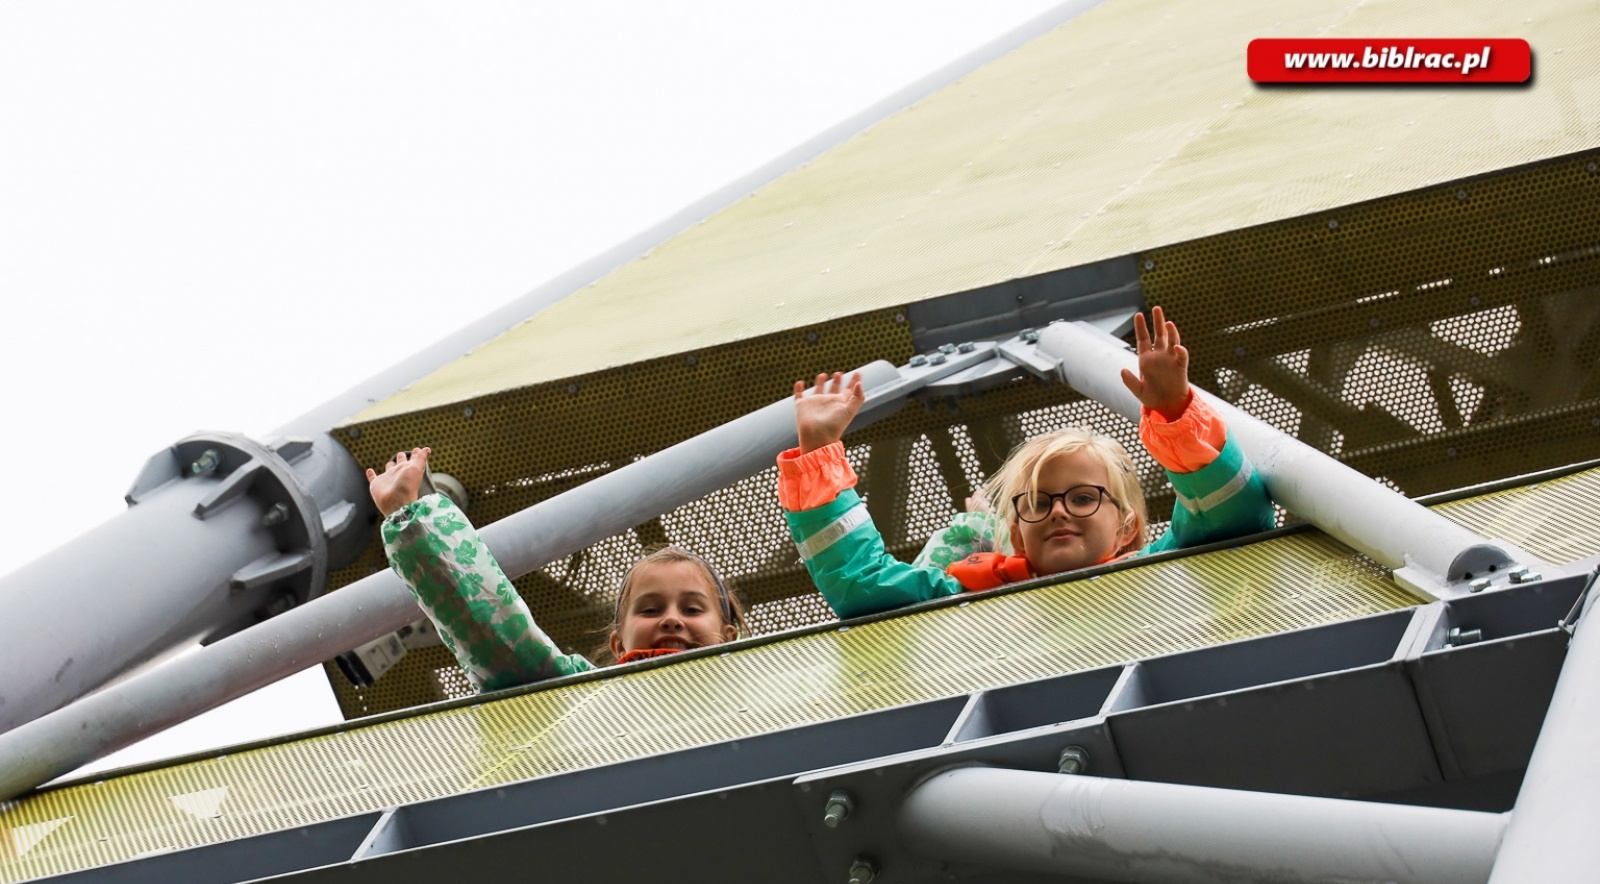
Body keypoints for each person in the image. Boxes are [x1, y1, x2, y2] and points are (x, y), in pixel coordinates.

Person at [777, 307, 1276, 619]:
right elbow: (862, 587)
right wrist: (818, 451)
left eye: (1083, 498)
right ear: (1016, 537)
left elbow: (1230, 514)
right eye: (1037, 504)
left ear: (1127, 528)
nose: (1058, 511)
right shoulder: (967, 596)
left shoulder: (1162, 567)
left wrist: (1174, 413)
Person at [367, 448, 743, 692]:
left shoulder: (762, 683)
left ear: (729, 636)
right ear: (618, 643)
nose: (672, 620)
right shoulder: (581, 695)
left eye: (692, 609)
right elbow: (494, 631)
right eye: (650, 609)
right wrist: (408, 514)